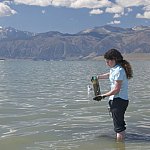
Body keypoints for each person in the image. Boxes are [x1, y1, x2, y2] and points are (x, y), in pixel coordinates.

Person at [95, 49, 133, 141]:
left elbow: (116, 90)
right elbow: (110, 74)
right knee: (118, 125)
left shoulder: (119, 70)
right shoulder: (115, 68)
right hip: (116, 100)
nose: (106, 63)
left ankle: (119, 145)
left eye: (107, 61)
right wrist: (98, 77)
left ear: (114, 59)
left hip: (119, 101)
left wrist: (103, 96)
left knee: (119, 128)